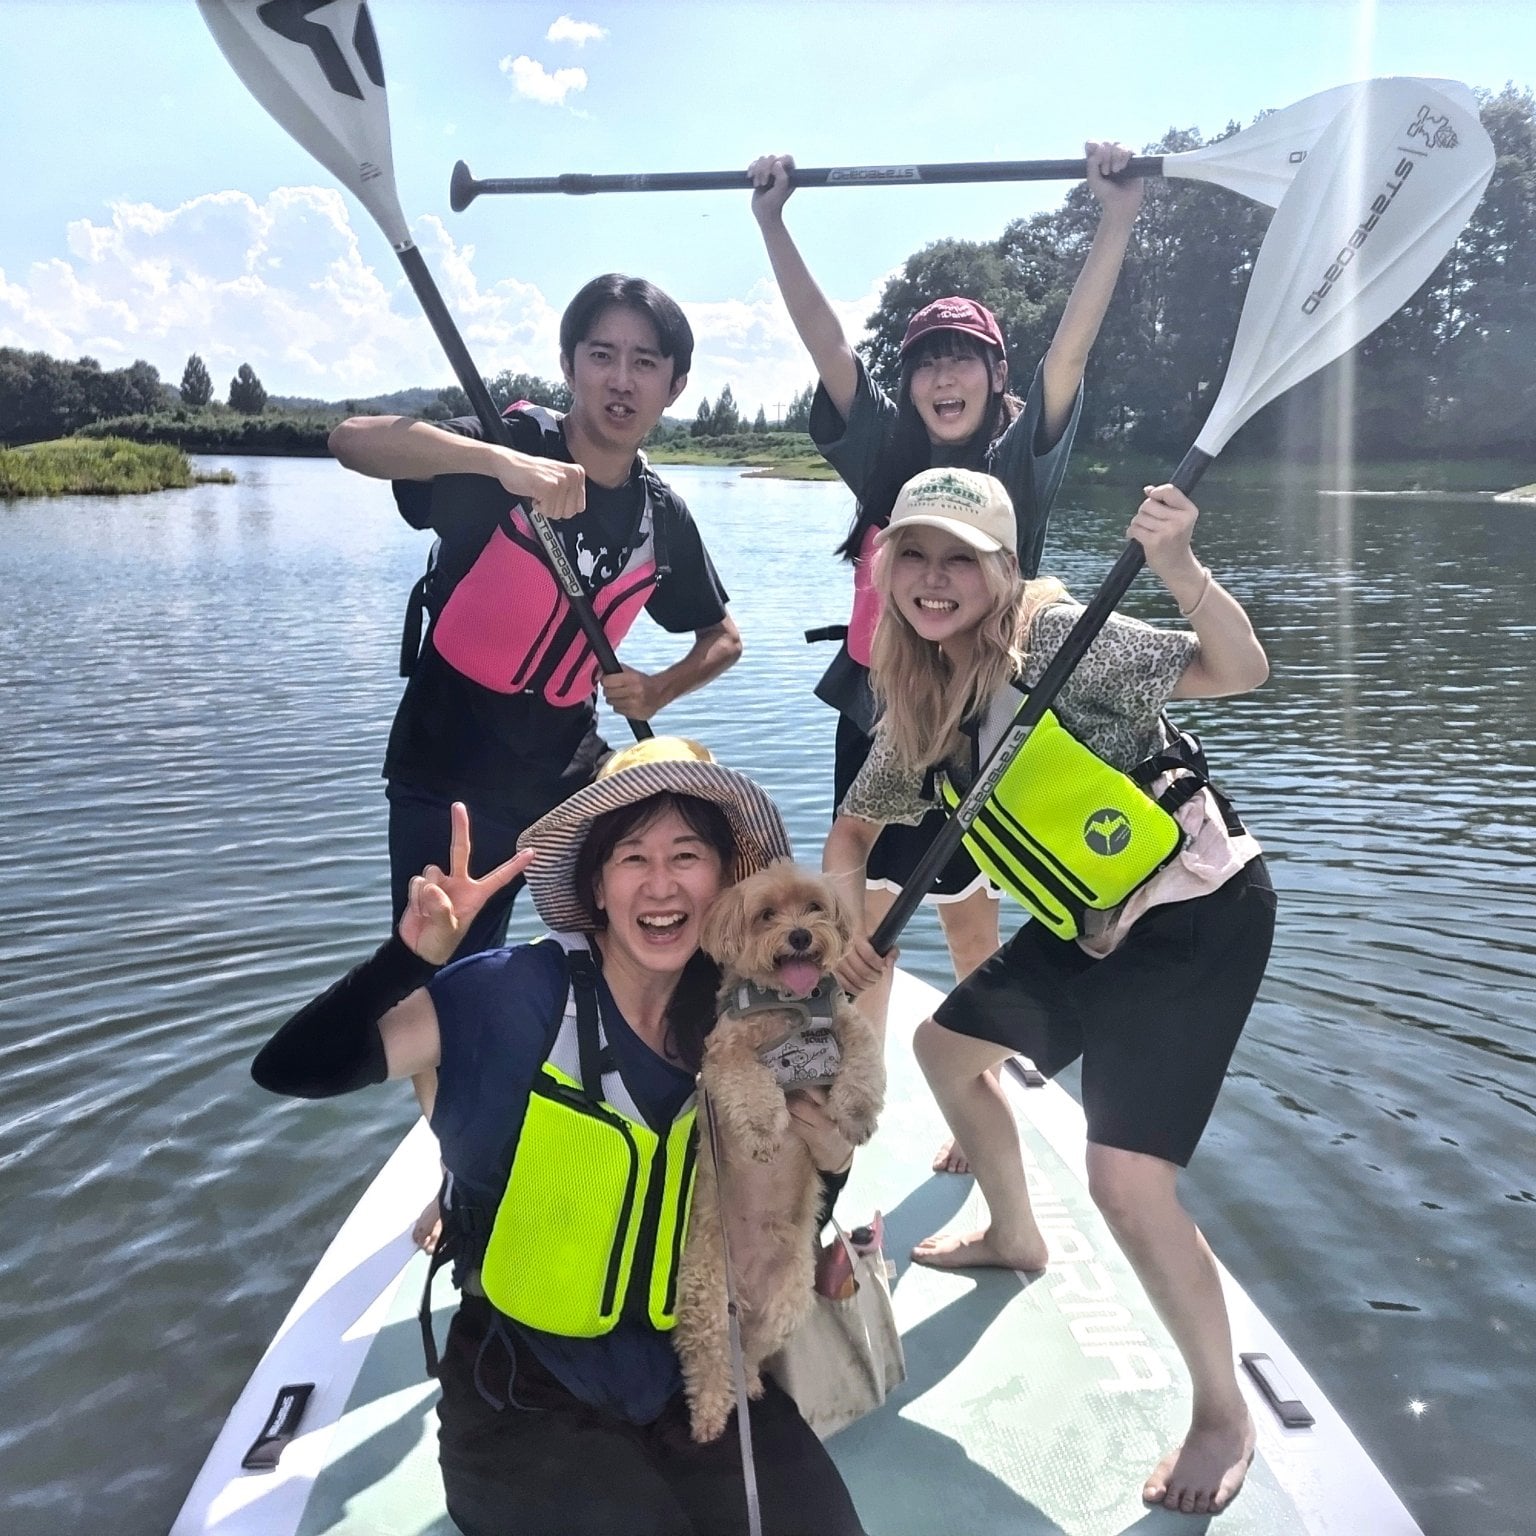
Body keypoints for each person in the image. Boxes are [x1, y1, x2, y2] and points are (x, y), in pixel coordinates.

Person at [252, 737, 867, 1536]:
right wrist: (406, 959)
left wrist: (835, 1159)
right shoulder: (509, 994)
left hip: (688, 1370)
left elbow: (784, 1202)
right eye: (632, 857)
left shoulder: (748, 1016)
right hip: (521, 1393)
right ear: (596, 884)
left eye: (687, 855)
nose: (660, 883)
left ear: (723, 882)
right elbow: (291, 1068)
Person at [823, 468, 1276, 1517]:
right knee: (944, 1050)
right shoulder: (917, 698)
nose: (934, 578)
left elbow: (1240, 669)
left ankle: (1223, 1414)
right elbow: (851, 833)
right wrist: (850, 930)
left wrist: (1178, 566)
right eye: (914, 555)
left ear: (1003, 569)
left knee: (1125, 1182)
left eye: (961, 559)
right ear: (888, 572)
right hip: (1093, 920)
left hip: (1199, 913)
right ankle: (1015, 1231)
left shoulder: (1067, 640)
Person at [748, 146, 1141, 1172]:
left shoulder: (1017, 466)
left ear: (995, 378)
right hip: (880, 718)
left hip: (982, 728)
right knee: (863, 919)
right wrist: (773, 221)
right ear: (911, 379)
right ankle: (852, 1095)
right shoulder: (886, 452)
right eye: (928, 360)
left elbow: (1068, 357)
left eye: (966, 359)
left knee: (972, 917)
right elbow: (829, 344)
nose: (945, 376)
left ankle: (981, 1089)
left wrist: (1114, 218)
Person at [330, 273, 743, 958]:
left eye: (645, 363)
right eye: (602, 355)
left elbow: (723, 639)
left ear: (674, 387)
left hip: (566, 777)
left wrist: (659, 688)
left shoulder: (661, 514)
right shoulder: (511, 442)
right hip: (447, 769)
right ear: (568, 366)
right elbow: (352, 441)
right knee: (438, 970)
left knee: (653, 931)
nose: (621, 380)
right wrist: (500, 464)